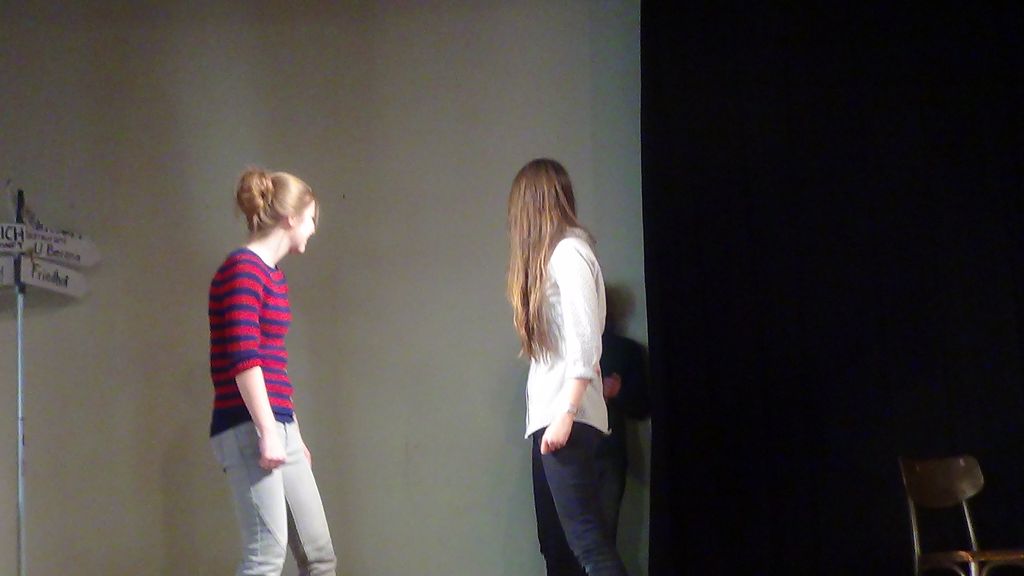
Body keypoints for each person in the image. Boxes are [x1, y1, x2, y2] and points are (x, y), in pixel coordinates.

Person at [208, 168, 337, 575]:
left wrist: (290, 433)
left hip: (279, 423)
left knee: (319, 558)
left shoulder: (271, 275)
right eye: (311, 219)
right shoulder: (242, 270)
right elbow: (244, 356)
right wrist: (267, 431)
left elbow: (271, 360)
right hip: (248, 424)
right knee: (265, 556)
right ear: (291, 218)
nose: (313, 228)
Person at [506, 158, 629, 576]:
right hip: (554, 418)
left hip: (566, 419)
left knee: (588, 544)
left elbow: (585, 341)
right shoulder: (555, 258)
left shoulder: (569, 253)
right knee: (562, 546)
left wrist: (567, 412)